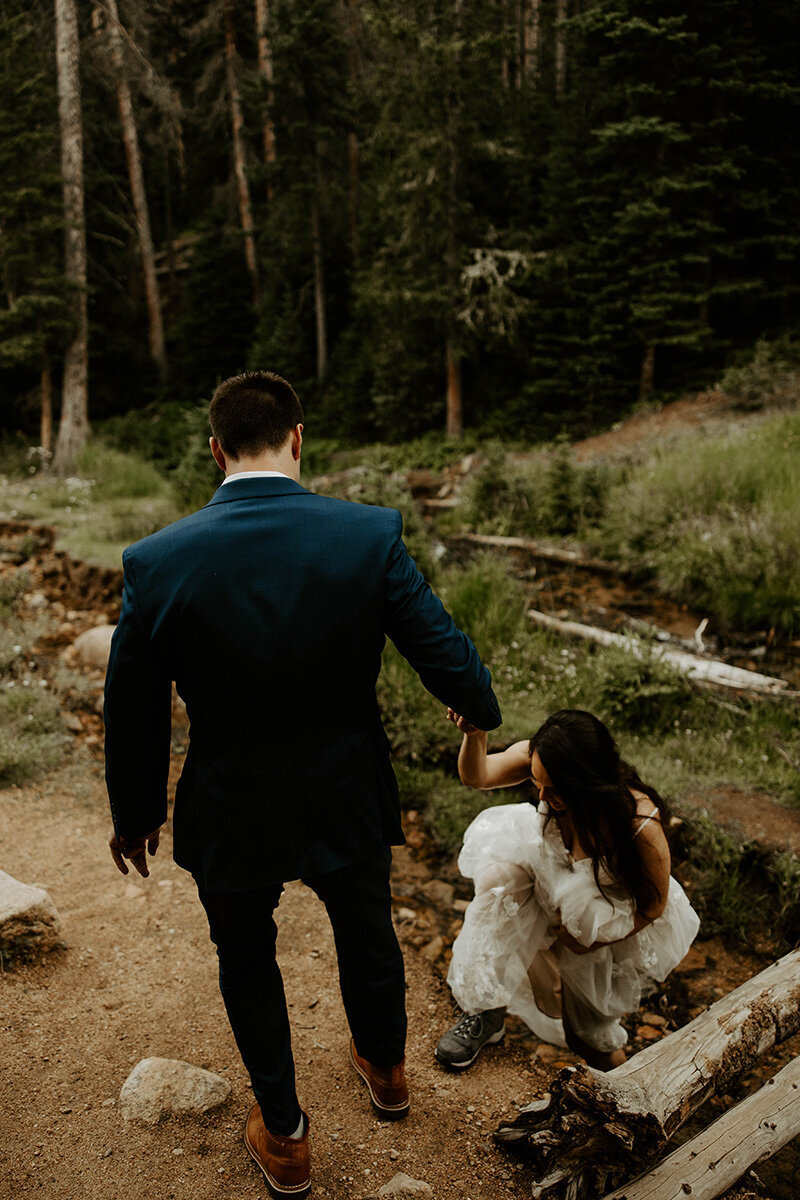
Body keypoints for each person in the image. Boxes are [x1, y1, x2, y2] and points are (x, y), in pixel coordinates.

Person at [104, 370, 501, 1199]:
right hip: (345, 788)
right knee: (366, 931)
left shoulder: (156, 561)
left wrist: (136, 812)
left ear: (215, 450)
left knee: (246, 957)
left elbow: (133, 705)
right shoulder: (365, 536)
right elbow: (440, 646)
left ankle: (285, 1137)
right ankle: (388, 1072)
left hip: (230, 804)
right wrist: (476, 705)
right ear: (298, 437)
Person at [435, 708, 699, 1073]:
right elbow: (477, 776)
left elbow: (653, 907)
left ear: (588, 782)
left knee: (587, 1036)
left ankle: (627, 1100)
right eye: (537, 783)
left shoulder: (638, 824)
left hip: (601, 918)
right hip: (549, 872)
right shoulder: (542, 760)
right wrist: (475, 735)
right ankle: (486, 1014)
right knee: (499, 884)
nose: (542, 797)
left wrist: (591, 942)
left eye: (555, 790)